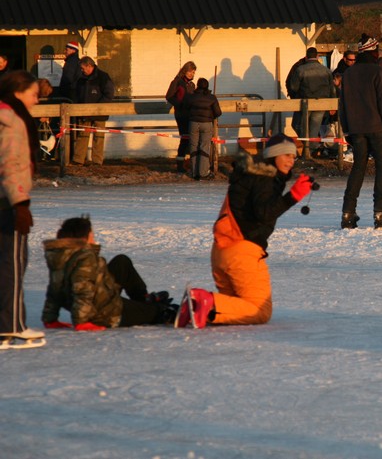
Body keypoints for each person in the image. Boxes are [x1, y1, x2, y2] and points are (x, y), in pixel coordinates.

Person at [175, 134, 314, 328]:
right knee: (259, 310)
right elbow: (264, 213)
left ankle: (202, 308)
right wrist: (294, 195)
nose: (291, 160)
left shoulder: (250, 175)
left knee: (235, 307)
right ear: (273, 155)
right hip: (242, 251)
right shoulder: (264, 178)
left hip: (221, 251)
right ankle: (205, 300)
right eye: (286, 155)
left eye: (293, 156)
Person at [41, 217, 177, 330]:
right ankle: (161, 311)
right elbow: (83, 291)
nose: (93, 237)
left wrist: (50, 319)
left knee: (121, 262)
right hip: (106, 313)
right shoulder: (85, 257)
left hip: (100, 298)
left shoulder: (60, 255)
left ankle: (143, 299)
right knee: (161, 311)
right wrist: (81, 322)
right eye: (91, 234)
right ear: (84, 238)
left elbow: (54, 290)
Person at [0, 71, 45, 349]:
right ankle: (11, 326)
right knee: (12, 263)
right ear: (18, 93)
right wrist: (20, 204)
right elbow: (10, 164)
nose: (36, 101)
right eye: (34, 94)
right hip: (6, 202)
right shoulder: (13, 120)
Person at [338, 35, 382, 229]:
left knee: (358, 168)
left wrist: (347, 129)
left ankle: (348, 212)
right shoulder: (377, 71)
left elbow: (342, 104)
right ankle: (380, 211)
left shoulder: (348, 73)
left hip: (356, 128)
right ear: (374, 52)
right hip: (377, 127)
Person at [287, 47, 336, 145]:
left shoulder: (300, 70)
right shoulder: (326, 70)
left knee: (296, 125)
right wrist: (332, 104)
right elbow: (332, 88)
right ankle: (311, 148)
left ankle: (308, 147)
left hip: (304, 103)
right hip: (321, 104)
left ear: (306, 57)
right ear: (317, 57)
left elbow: (293, 87)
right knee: (314, 130)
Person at [72, 56, 114, 166]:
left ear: (89, 66)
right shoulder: (81, 78)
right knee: (82, 134)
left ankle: (97, 161)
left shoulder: (103, 77)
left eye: (83, 68)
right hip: (84, 112)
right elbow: (76, 94)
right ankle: (78, 159)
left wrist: (98, 108)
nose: (82, 71)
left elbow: (109, 94)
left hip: (100, 113)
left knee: (98, 136)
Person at [186, 78, 222, 180]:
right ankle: (203, 172)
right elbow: (218, 112)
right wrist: (210, 115)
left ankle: (194, 172)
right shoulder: (212, 97)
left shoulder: (191, 97)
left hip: (193, 123)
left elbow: (186, 109)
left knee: (193, 146)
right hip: (206, 123)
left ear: (197, 85)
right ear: (207, 86)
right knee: (204, 147)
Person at [166, 61, 197, 173]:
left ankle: (189, 162)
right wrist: (180, 105)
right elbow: (169, 96)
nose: (192, 74)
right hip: (181, 114)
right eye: (190, 72)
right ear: (185, 71)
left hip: (191, 114)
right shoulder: (177, 82)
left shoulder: (192, 85)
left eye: (193, 72)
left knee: (192, 138)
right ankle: (180, 164)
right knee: (185, 138)